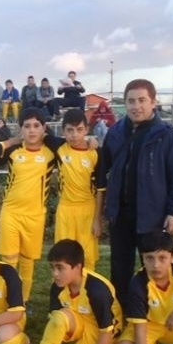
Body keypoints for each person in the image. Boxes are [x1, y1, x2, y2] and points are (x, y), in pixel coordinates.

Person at [98, 78, 173, 305]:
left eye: (142, 100)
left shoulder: (167, 135)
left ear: (153, 102)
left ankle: (159, 310)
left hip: (152, 215)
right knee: (120, 267)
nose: (136, 106)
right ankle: (121, 312)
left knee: (155, 267)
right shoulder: (116, 132)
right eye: (131, 101)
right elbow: (103, 166)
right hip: (120, 215)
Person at [17, 239, 121, 344]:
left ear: (78, 267)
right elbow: (55, 324)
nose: (55, 274)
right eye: (52, 268)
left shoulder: (97, 290)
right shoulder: (58, 287)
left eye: (60, 268)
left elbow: (106, 331)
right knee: (58, 317)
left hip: (102, 330)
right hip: (79, 319)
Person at [0, 108, 58, 307]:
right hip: (11, 212)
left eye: (36, 126)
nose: (32, 131)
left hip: (35, 215)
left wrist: (93, 142)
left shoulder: (52, 153)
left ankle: (23, 301)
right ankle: (7, 299)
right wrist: (10, 141)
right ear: (20, 129)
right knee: (9, 260)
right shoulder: (13, 151)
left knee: (27, 260)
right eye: (27, 126)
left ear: (44, 128)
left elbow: (75, 146)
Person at [54, 109, 103, 271]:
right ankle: (65, 294)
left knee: (87, 258)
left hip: (87, 210)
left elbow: (101, 189)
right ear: (63, 131)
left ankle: (87, 293)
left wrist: (97, 219)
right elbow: (37, 135)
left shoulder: (95, 154)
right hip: (65, 209)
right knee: (63, 255)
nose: (74, 135)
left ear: (86, 130)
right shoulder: (59, 148)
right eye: (70, 130)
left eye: (79, 130)